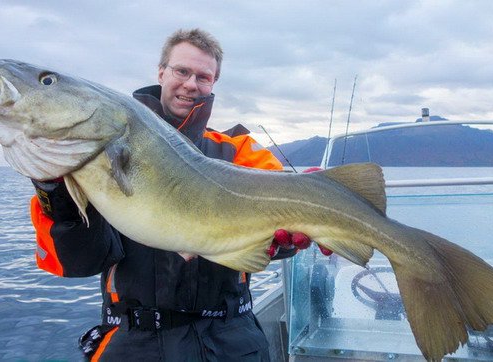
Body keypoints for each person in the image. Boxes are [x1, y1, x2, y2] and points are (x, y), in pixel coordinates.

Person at [30, 28, 321, 361]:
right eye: (182, 71)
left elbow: (276, 231)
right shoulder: (101, 153)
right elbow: (81, 261)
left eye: (203, 76)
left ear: (213, 83)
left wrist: (288, 236)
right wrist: (53, 189)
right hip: (134, 342)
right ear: (161, 72)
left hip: (231, 340)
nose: (191, 83)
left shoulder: (239, 151)